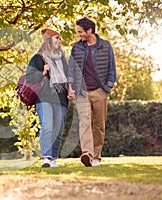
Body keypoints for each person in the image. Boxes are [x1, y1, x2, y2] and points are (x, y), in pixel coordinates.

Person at [67, 17, 116, 167]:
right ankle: (87, 153)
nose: (79, 34)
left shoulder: (106, 46)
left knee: (99, 126)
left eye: (81, 32)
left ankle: (96, 156)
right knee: (85, 121)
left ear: (90, 31)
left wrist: (107, 87)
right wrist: (70, 87)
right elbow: (70, 69)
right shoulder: (77, 48)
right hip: (82, 91)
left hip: (100, 91)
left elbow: (112, 69)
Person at [26, 28, 69, 167]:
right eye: (57, 37)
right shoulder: (38, 58)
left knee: (57, 129)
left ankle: (53, 159)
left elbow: (68, 77)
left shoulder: (62, 59)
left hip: (61, 98)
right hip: (44, 97)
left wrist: (71, 90)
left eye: (59, 38)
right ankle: (46, 157)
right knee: (47, 126)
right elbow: (29, 77)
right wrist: (43, 72)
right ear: (49, 40)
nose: (59, 41)